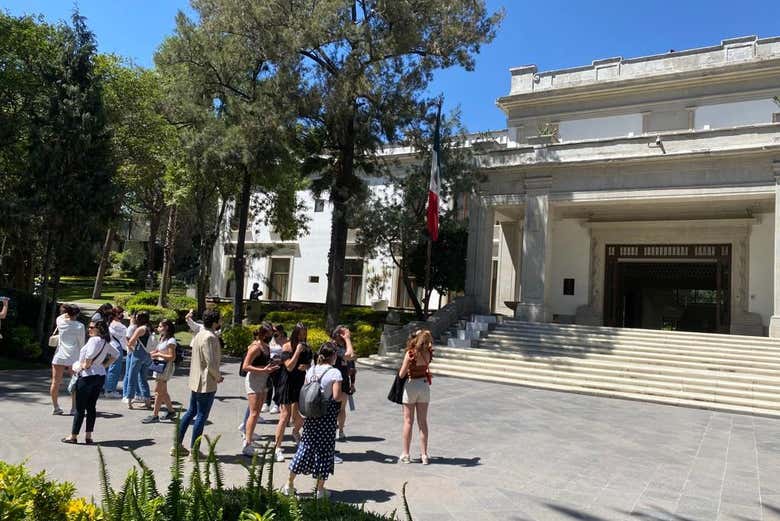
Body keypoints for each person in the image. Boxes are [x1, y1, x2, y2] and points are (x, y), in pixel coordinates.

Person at [283, 343, 345, 499]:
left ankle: (289, 484)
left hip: (311, 415)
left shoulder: (311, 370)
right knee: (325, 451)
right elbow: (337, 397)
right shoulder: (335, 373)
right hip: (326, 417)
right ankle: (319, 489)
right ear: (333, 356)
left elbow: (305, 390)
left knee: (305, 447)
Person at [172, 309, 223, 457]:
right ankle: (194, 450)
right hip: (205, 381)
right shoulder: (210, 337)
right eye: (219, 320)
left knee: (191, 411)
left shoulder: (200, 334)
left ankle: (177, 445)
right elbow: (210, 362)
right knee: (201, 415)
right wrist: (218, 376)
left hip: (196, 379)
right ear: (215, 322)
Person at [61, 320, 119, 444]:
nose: (89, 329)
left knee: (80, 408)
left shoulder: (94, 340)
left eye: (92, 327)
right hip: (99, 375)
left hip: (87, 376)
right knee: (91, 407)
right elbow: (116, 354)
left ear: (98, 329)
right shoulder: (105, 342)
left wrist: (85, 365)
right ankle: (88, 435)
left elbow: (90, 355)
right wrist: (103, 365)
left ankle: (73, 436)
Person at [273, 323, 313, 462]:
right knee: (285, 416)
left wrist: (306, 366)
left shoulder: (307, 348)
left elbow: (309, 364)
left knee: (298, 417)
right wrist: (297, 351)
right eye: (300, 333)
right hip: (287, 383)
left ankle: (295, 433)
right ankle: (277, 448)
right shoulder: (287, 347)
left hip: (299, 383)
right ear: (295, 333)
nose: (303, 336)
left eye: (304, 333)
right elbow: (289, 366)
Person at [240, 323, 279, 456]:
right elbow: (245, 366)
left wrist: (273, 364)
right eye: (269, 334)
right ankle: (247, 444)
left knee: (256, 413)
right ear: (263, 334)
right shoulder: (256, 347)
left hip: (263, 380)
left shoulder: (266, 346)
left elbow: (263, 363)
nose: (271, 337)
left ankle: (249, 438)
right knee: (254, 413)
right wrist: (263, 370)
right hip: (254, 381)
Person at [398, 329, 434, 465]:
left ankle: (406, 454)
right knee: (423, 421)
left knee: (408, 421)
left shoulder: (411, 354)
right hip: (424, 385)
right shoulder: (428, 353)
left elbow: (401, 374)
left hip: (411, 385)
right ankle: (424, 455)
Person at [50, 304, 85, 415]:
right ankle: (74, 408)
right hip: (74, 357)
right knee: (75, 382)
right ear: (77, 314)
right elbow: (82, 343)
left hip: (60, 355)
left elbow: (60, 317)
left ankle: (56, 407)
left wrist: (66, 314)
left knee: (55, 382)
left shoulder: (60, 322)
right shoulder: (80, 326)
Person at [142, 320, 178, 423]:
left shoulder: (171, 341)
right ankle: (171, 411)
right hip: (159, 366)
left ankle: (155, 415)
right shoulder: (162, 338)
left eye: (160, 326)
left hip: (165, 367)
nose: (158, 328)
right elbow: (159, 350)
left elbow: (172, 357)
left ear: (166, 327)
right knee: (163, 391)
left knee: (158, 391)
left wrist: (158, 354)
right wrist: (154, 353)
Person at [331, 325, 356, 442]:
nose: (347, 335)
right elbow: (350, 356)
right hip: (332, 380)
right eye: (345, 333)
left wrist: (353, 382)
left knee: (341, 408)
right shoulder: (332, 346)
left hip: (344, 380)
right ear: (338, 335)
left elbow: (352, 365)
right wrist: (348, 339)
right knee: (331, 407)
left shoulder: (345, 346)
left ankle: (340, 430)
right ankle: (331, 429)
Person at [124, 311, 153, 410]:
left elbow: (130, 342)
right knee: (143, 378)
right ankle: (147, 401)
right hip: (147, 354)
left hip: (138, 354)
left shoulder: (140, 329)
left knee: (132, 377)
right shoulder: (149, 328)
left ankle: (129, 401)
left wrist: (132, 349)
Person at [263, 324, 286, 414]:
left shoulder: (285, 341)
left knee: (278, 385)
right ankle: (266, 403)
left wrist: (281, 360)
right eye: (273, 331)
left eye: (275, 330)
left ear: (281, 331)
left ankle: (277, 404)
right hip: (270, 364)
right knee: (268, 384)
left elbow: (287, 353)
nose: (274, 332)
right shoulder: (270, 339)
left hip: (280, 365)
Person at [104, 307, 126, 398]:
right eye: (121, 313)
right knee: (115, 370)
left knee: (110, 368)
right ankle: (110, 390)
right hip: (117, 348)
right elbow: (126, 336)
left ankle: (107, 388)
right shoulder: (119, 325)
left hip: (110, 346)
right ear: (117, 314)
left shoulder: (110, 323)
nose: (123, 314)